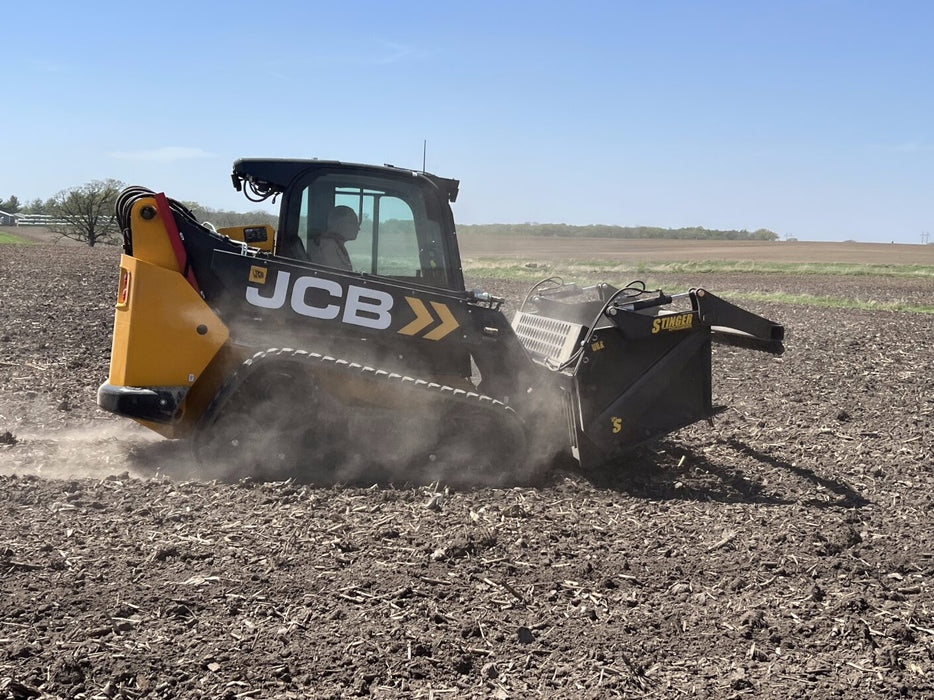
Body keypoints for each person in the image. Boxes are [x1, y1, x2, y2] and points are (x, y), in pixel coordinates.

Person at [312, 205, 359, 270]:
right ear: (341, 224)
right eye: (354, 223)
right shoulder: (329, 246)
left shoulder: (333, 243)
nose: (358, 228)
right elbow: (342, 276)